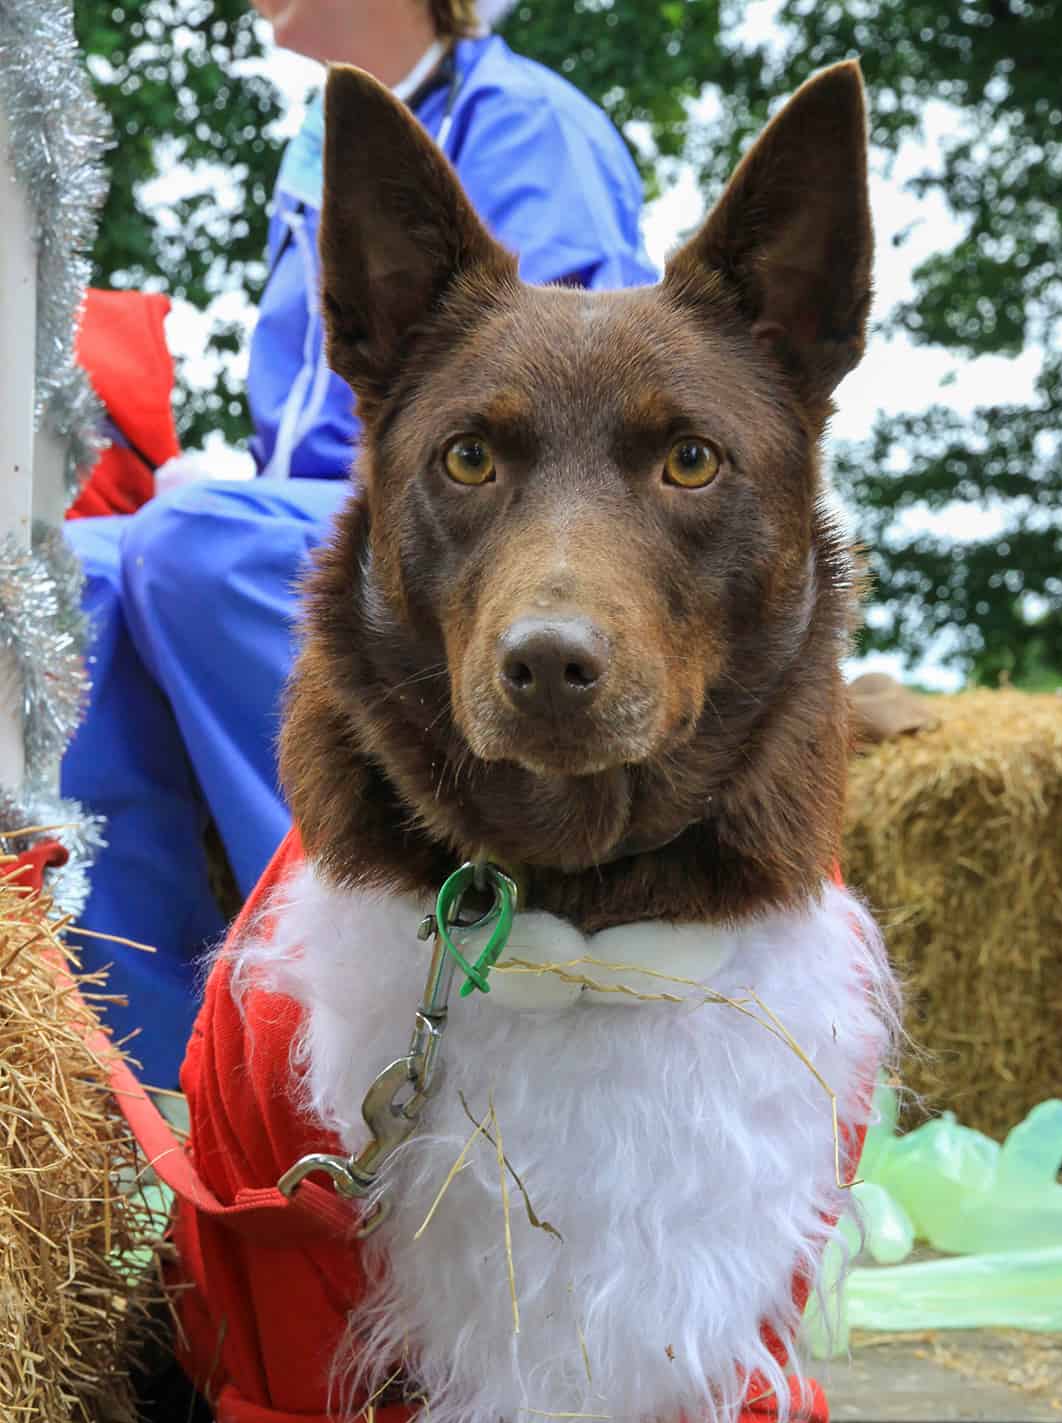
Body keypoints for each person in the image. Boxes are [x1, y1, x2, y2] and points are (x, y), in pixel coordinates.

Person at [61, 0, 656, 1088]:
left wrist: (233, 505)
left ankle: (345, 967)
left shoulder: (527, 124)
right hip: (317, 509)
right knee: (83, 575)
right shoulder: (316, 150)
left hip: (478, 527)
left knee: (195, 547)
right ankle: (145, 1069)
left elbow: (565, 418)